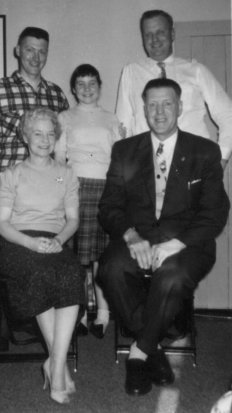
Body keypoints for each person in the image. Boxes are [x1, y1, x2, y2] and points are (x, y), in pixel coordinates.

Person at [98, 78, 230, 396]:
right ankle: (154, 344)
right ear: (144, 109)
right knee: (110, 270)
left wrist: (175, 243)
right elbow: (109, 207)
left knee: (171, 277)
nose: (159, 111)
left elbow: (215, 213)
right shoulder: (125, 150)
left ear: (180, 107)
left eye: (167, 103)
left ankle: (139, 354)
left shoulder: (205, 151)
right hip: (138, 238)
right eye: (152, 104)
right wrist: (131, 237)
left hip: (188, 243)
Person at [0, 26, 69, 355]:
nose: (36, 57)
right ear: (17, 52)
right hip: (6, 190)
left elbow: (66, 145)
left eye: (42, 51)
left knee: (46, 256)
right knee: (0, 261)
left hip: (47, 195)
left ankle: (36, 326)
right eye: (30, 50)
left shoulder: (56, 96)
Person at [0, 107, 84, 404]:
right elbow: (1, 224)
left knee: (72, 273)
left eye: (50, 133)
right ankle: (58, 370)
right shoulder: (12, 174)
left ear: (56, 137)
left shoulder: (67, 174)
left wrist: (58, 239)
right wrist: (31, 244)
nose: (44, 140)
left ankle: (54, 365)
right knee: (41, 273)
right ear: (25, 136)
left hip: (55, 241)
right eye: (37, 133)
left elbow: (72, 220)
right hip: (18, 243)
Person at [116, 9, 232, 169]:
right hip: (147, 168)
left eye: (160, 32)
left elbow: (228, 115)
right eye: (148, 34)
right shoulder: (131, 72)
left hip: (193, 164)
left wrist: (221, 159)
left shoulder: (196, 70)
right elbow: (122, 127)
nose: (154, 39)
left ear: (172, 34)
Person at [55, 64, 122, 339]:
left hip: (106, 188)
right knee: (78, 257)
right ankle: (81, 313)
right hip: (75, 187)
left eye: (91, 83)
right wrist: (62, 191)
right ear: (73, 89)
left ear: (100, 86)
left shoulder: (112, 119)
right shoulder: (64, 117)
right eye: (80, 84)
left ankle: (103, 315)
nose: (86, 89)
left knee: (102, 256)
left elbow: (119, 157)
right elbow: (59, 159)